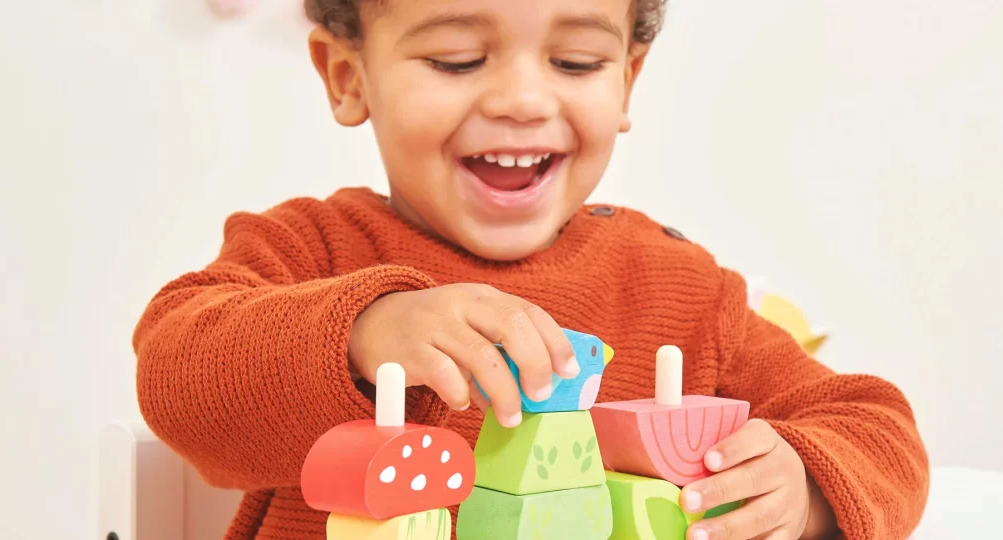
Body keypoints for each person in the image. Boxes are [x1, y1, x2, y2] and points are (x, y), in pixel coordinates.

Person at [131, 0, 930, 538]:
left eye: (577, 63)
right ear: (349, 76)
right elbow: (176, 370)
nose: (522, 99)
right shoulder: (311, 254)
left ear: (628, 80)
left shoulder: (679, 288)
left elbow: (874, 425)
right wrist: (365, 330)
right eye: (455, 60)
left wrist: (809, 487)